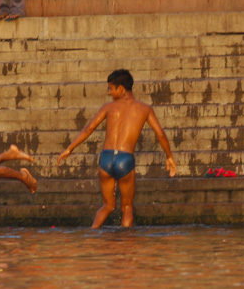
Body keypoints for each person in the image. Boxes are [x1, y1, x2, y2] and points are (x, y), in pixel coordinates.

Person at [57, 70, 177, 228]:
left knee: (107, 205)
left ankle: (92, 235)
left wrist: (70, 149)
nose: (109, 93)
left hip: (106, 159)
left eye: (110, 89)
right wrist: (169, 157)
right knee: (126, 207)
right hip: (125, 159)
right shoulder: (144, 109)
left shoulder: (109, 107)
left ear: (121, 89)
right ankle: (126, 245)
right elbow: (161, 134)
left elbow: (88, 129)